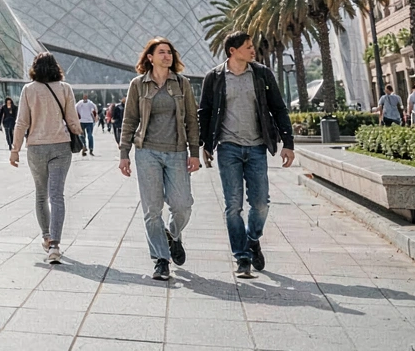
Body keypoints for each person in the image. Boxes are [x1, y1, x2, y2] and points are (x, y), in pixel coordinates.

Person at [199, 30, 294, 280]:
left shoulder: (261, 74)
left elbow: (278, 108)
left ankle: (253, 239)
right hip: (228, 146)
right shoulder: (215, 77)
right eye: (248, 46)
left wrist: (288, 143)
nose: (253, 50)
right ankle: (242, 257)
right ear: (233, 51)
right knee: (233, 205)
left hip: (256, 147)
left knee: (261, 204)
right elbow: (205, 112)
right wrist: (204, 144)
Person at [119, 38, 201, 281]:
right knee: (152, 209)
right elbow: (129, 120)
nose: (167, 56)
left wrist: (194, 152)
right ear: (150, 57)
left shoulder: (182, 84)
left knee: (183, 205)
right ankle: (161, 259)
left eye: (170, 53)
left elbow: (192, 120)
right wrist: (124, 153)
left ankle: (172, 234)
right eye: (162, 52)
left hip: (177, 151)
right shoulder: (138, 85)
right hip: (147, 152)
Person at [9, 53, 81, 264]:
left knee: (41, 194)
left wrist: (15, 149)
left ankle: (46, 237)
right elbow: (72, 119)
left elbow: (21, 122)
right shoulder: (65, 88)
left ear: (35, 68)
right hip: (60, 146)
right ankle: (55, 246)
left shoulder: (29, 90)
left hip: (36, 147)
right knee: (57, 195)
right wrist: (78, 135)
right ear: (55, 67)